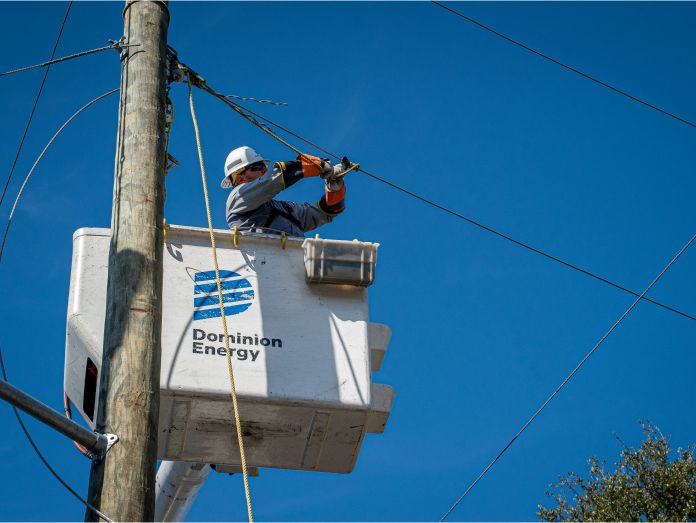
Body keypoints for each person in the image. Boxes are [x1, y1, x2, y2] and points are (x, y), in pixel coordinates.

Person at [222, 146, 346, 237]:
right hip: (261, 264)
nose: (264, 170)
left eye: (264, 167)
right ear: (240, 178)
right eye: (258, 167)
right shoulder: (236, 199)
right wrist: (310, 165)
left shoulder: (281, 208)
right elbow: (271, 181)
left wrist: (334, 188)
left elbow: (322, 213)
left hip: (293, 266)